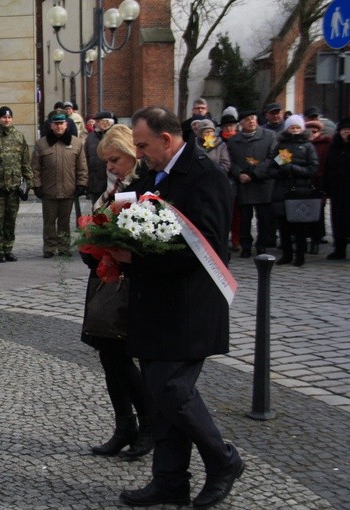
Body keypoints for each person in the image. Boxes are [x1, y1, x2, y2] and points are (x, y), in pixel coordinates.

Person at [120, 106, 243, 508]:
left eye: (143, 145)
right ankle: (170, 480)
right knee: (159, 395)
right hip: (157, 305)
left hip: (190, 308)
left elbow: (204, 249)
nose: (138, 153)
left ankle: (223, 461)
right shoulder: (153, 176)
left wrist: (134, 258)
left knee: (172, 390)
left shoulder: (206, 176)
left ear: (167, 140)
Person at [81, 124, 153, 460]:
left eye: (115, 159)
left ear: (132, 154)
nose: (109, 167)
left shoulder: (145, 188)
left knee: (123, 359)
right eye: (107, 161)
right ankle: (125, 425)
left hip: (129, 285)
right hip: (107, 279)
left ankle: (149, 425)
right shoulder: (118, 188)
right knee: (110, 358)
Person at [0, 106, 33, 262]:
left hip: (14, 187)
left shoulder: (18, 137)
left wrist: (28, 183)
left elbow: (25, 162)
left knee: (10, 220)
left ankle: (8, 249)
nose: (6, 120)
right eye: (4, 117)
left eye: (9, 117)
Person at [31, 109, 87, 258]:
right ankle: (49, 247)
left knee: (64, 221)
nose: (59, 127)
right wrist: (36, 185)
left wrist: (81, 184)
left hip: (68, 189)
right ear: (51, 126)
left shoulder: (76, 143)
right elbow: (35, 167)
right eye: (56, 124)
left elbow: (82, 166)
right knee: (49, 222)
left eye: (61, 123)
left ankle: (63, 246)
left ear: (66, 125)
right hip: (49, 190)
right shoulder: (41, 144)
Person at [267, 115, 318, 267]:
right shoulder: (281, 146)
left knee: (300, 225)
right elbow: (272, 168)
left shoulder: (308, 146)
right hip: (283, 190)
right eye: (292, 127)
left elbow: (313, 168)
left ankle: (300, 255)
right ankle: (287, 254)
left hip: (300, 190)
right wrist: (280, 172)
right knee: (283, 226)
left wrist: (293, 169)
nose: (294, 130)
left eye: (297, 128)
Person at [226, 110, 278, 258]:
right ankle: (246, 246)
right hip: (243, 184)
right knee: (244, 218)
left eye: (253, 118)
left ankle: (262, 245)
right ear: (241, 123)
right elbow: (230, 161)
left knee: (263, 217)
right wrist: (239, 174)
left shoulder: (270, 136)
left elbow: (274, 157)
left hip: (263, 182)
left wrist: (255, 174)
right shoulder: (233, 140)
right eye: (247, 119)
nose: (252, 121)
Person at [323, 117, 350, 260]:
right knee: (338, 220)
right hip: (337, 190)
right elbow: (328, 168)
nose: (346, 133)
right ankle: (339, 249)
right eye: (344, 130)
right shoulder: (334, 148)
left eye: (349, 130)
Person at [305, 119, 332, 255]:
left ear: (319, 132)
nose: (311, 134)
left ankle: (316, 241)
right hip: (301, 184)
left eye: (314, 131)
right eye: (308, 131)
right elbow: (279, 160)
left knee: (317, 215)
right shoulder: (300, 144)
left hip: (318, 183)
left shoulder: (326, 145)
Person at [218, 113, 241, 251]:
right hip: (223, 179)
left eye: (230, 126)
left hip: (236, 179)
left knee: (237, 213)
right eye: (225, 126)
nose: (228, 129)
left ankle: (236, 238)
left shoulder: (239, 139)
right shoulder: (217, 141)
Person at [85, 111, 117, 203]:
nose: (97, 124)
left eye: (100, 121)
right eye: (97, 121)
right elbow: (85, 159)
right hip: (96, 184)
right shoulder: (91, 137)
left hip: (114, 184)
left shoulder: (116, 135)